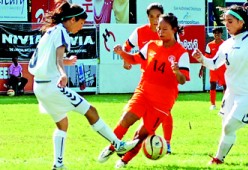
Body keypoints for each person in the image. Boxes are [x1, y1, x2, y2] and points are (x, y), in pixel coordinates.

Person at [28, 1, 138, 169]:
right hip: (52, 86)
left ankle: (58, 165)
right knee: (91, 111)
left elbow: (46, 59)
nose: (81, 27)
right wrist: (63, 72)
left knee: (62, 124)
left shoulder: (51, 31)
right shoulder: (62, 32)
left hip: (40, 86)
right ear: (72, 20)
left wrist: (66, 61)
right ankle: (118, 144)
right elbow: (57, 58)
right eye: (81, 23)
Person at [98, 13, 190, 168]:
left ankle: (123, 161)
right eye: (158, 28)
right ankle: (111, 147)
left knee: (140, 136)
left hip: (162, 102)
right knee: (125, 120)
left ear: (174, 29)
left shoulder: (181, 53)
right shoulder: (151, 45)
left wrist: (177, 72)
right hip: (143, 92)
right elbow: (134, 59)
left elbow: (183, 80)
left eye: (164, 29)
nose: (160, 32)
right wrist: (122, 53)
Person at [192, 4, 248, 164]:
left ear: (241, 22)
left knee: (229, 127)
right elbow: (214, 64)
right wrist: (202, 59)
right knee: (227, 126)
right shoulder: (226, 44)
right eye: (225, 21)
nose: (227, 25)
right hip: (231, 92)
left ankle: (218, 160)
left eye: (230, 21)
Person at [122, 2, 173, 154]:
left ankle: (167, 143)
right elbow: (127, 46)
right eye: (152, 16)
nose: (155, 20)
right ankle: (148, 139)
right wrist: (126, 60)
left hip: (164, 80)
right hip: (147, 79)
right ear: (148, 18)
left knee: (165, 112)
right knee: (145, 111)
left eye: (158, 16)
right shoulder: (140, 32)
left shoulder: (167, 32)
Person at [199, 27, 226, 110]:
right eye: (215, 33)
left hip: (223, 68)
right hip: (213, 68)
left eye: (218, 33)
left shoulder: (225, 44)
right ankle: (213, 104)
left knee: (226, 86)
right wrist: (201, 68)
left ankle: (225, 104)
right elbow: (206, 57)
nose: (216, 34)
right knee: (212, 85)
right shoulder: (209, 45)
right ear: (213, 34)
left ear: (221, 34)